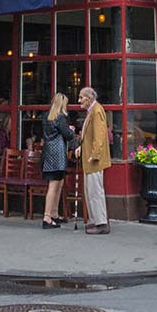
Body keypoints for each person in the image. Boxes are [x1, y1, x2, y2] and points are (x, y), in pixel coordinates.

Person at [39, 93, 77, 229]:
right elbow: (68, 135)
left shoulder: (46, 116)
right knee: (54, 186)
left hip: (48, 153)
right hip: (58, 155)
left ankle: (54, 214)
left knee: (57, 184)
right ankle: (47, 217)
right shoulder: (60, 117)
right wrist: (71, 130)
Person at [77, 84, 111, 233]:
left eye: (81, 97)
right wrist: (81, 148)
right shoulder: (92, 110)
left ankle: (101, 223)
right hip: (89, 158)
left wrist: (94, 155)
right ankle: (95, 220)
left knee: (95, 192)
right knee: (90, 191)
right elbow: (90, 135)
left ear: (89, 99)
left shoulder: (96, 111)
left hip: (93, 160)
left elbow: (100, 135)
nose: (79, 101)